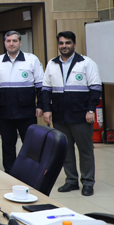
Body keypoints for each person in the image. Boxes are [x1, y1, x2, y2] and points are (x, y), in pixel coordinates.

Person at [42, 31, 102, 196]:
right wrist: (47, 109)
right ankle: (71, 181)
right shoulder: (52, 64)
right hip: (60, 115)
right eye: (61, 43)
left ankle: (88, 182)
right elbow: (45, 90)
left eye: (67, 43)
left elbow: (95, 88)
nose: (64, 46)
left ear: (74, 45)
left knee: (85, 150)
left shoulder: (86, 63)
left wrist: (91, 110)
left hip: (81, 115)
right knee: (65, 150)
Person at [0, 31, 44, 174]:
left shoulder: (31, 59)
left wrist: (40, 105)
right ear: (4, 43)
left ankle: (30, 172)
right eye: (8, 41)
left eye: (14, 41)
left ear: (20, 42)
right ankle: (10, 172)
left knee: (30, 144)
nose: (11, 44)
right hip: (5, 111)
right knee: (7, 144)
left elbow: (40, 85)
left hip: (27, 111)